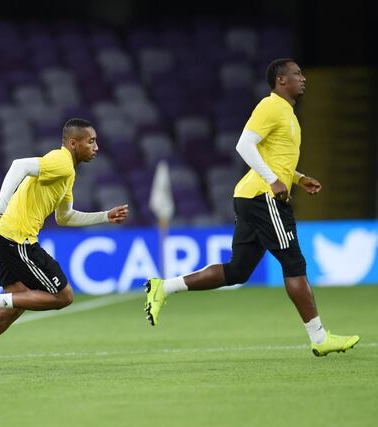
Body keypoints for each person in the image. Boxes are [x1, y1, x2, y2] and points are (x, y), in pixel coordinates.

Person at [144, 58, 359, 357]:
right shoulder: (270, 106)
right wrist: (274, 181)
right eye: (297, 74)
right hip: (263, 198)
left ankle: (163, 287)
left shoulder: (288, 113)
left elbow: (274, 156)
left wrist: (297, 178)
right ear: (281, 80)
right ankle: (320, 338)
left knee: (238, 271)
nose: (303, 78)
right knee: (294, 264)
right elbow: (244, 145)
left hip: (252, 196)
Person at [0, 118, 129, 371]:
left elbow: (64, 217)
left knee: (19, 302)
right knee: (63, 296)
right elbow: (18, 166)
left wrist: (104, 216)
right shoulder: (61, 161)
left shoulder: (67, 172)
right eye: (91, 141)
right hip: (17, 238)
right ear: (73, 143)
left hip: (4, 237)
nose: (96, 147)